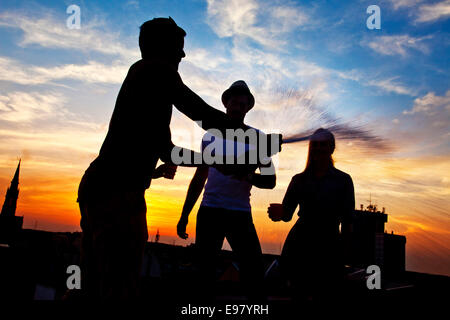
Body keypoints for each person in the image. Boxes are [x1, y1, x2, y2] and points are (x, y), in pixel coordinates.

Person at [77, 17, 280, 300]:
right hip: (116, 194)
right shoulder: (158, 71)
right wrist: (251, 142)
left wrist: (217, 159)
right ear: (163, 47)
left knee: (99, 280)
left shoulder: (146, 80)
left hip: (108, 188)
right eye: (179, 48)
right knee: (118, 282)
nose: (183, 55)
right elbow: (203, 114)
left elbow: (168, 150)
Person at [177, 81, 276, 300]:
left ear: (248, 108)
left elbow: (270, 181)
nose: (238, 107)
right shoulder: (209, 136)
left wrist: (247, 175)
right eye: (234, 102)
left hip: (239, 213)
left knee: (254, 272)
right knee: (204, 274)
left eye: (242, 104)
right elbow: (200, 176)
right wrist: (184, 215)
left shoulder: (259, 139)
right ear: (226, 104)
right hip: (209, 211)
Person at [268, 128, 354, 301]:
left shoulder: (344, 180)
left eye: (323, 145)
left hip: (329, 244)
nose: (319, 149)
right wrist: (278, 212)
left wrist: (345, 253)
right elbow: (287, 215)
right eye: (315, 145)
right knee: (297, 294)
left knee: (324, 294)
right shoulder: (298, 179)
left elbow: (348, 220)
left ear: (331, 148)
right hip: (300, 243)